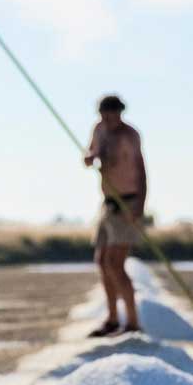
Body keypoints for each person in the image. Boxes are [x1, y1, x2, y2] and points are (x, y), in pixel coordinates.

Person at [83, 94, 147, 337]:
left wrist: (139, 206)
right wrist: (89, 158)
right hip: (107, 205)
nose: (108, 119)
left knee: (115, 263)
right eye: (104, 115)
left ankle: (132, 322)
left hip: (127, 205)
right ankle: (111, 319)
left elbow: (141, 170)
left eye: (112, 114)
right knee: (102, 261)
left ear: (120, 113)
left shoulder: (130, 136)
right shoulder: (99, 130)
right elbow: (92, 153)